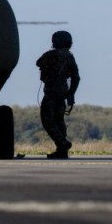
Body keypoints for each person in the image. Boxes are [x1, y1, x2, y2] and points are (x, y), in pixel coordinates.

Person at [36, 30, 80, 159]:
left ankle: (63, 143)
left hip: (51, 92)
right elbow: (76, 77)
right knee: (59, 120)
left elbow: (38, 62)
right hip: (63, 93)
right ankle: (62, 150)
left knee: (47, 120)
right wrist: (71, 94)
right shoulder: (70, 57)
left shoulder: (51, 55)